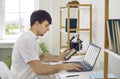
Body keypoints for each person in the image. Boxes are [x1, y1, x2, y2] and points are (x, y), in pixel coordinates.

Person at [10, 10, 82, 79]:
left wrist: (59, 58)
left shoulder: (31, 38)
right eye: (46, 25)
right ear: (37, 24)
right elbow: (39, 70)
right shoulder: (27, 40)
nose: (48, 29)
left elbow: (42, 57)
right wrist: (64, 66)